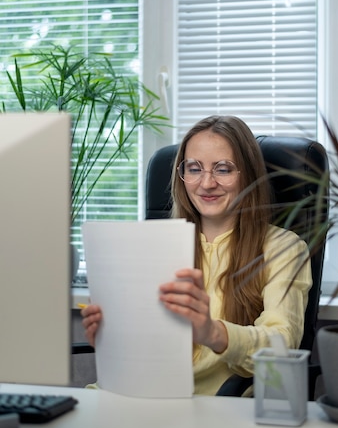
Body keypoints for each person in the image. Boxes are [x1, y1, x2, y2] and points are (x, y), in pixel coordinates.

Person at [82, 115, 312, 395]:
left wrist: (212, 332)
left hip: (206, 411)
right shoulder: (153, 244)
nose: (206, 183)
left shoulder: (284, 248)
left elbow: (281, 346)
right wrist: (109, 338)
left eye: (223, 169)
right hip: (126, 395)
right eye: (194, 169)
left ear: (248, 175)